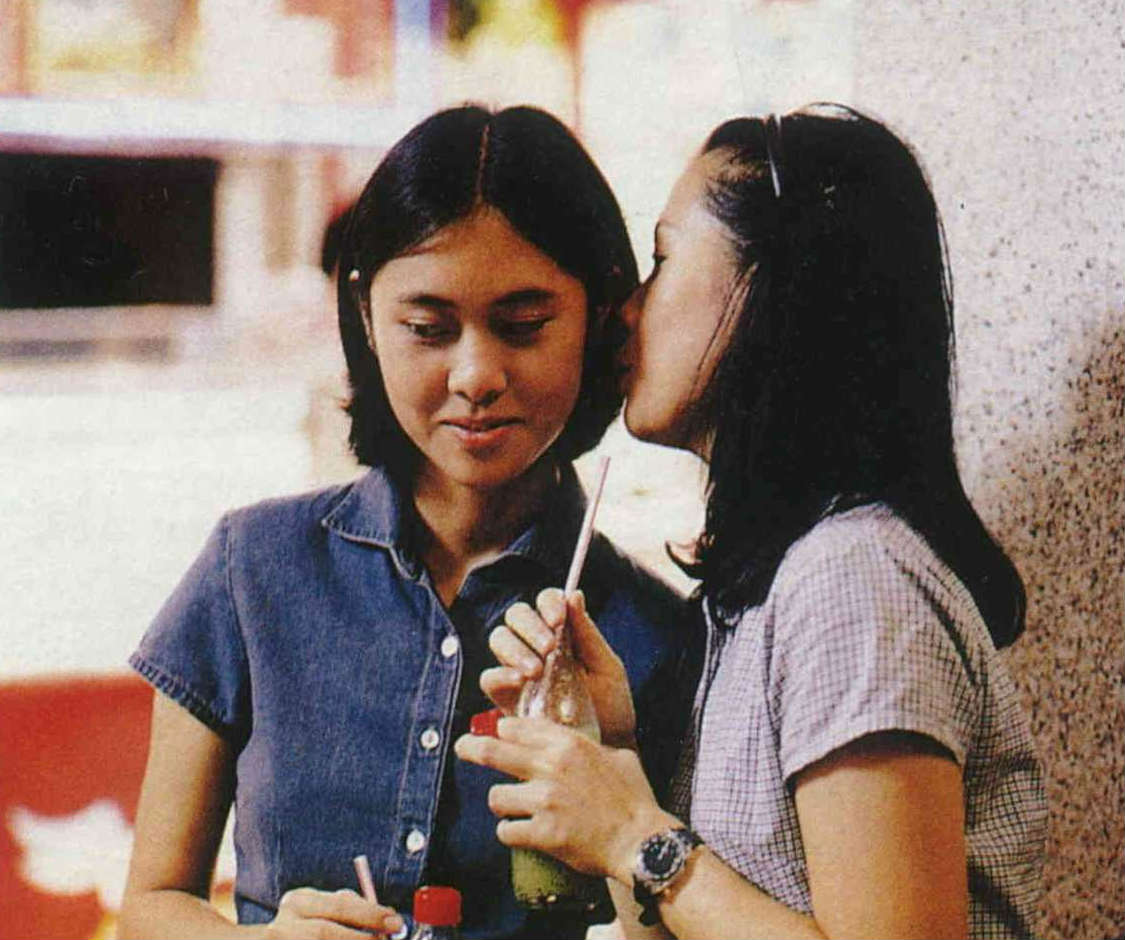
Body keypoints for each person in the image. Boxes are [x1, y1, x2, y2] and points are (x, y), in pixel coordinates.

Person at [456, 104, 1048, 939]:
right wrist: (613, 755)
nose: (626, 310)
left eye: (663, 259)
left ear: (771, 284)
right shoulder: (768, 587)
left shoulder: (853, 580)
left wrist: (633, 835)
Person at [118, 105, 698, 940]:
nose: (475, 375)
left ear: (601, 316)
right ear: (365, 314)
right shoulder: (253, 566)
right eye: (428, 328)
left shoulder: (656, 633)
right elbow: (150, 906)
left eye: (523, 326)